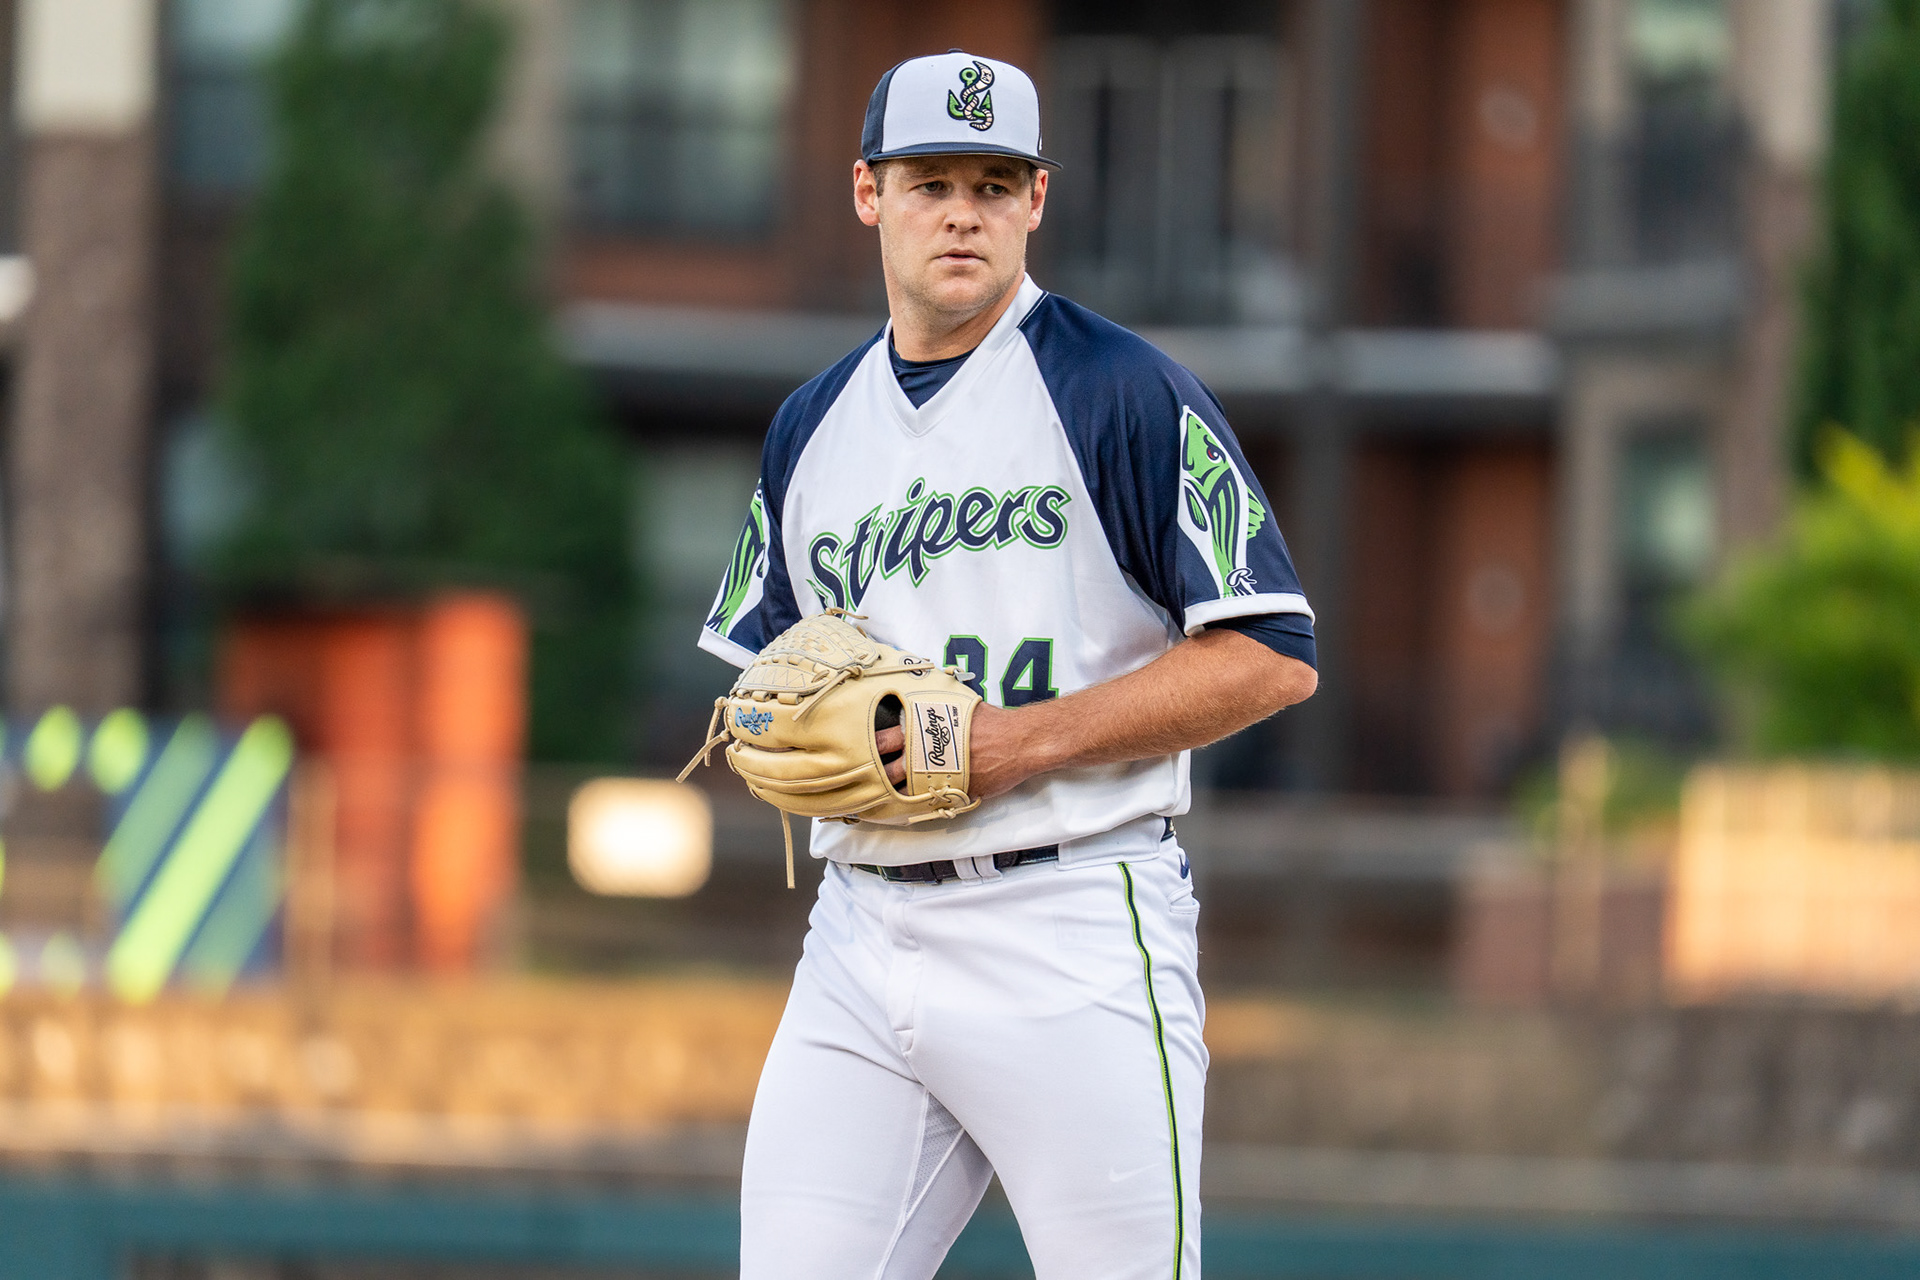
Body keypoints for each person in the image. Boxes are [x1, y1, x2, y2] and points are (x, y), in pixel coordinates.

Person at [698, 50, 1317, 1280]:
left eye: (993, 184)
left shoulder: (1121, 391)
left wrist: (1013, 742)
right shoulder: (811, 425)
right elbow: (756, 681)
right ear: (869, 192)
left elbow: (1271, 654)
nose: (963, 214)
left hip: (1071, 918)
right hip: (861, 926)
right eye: (931, 182)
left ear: (1037, 200)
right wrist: (775, 738)